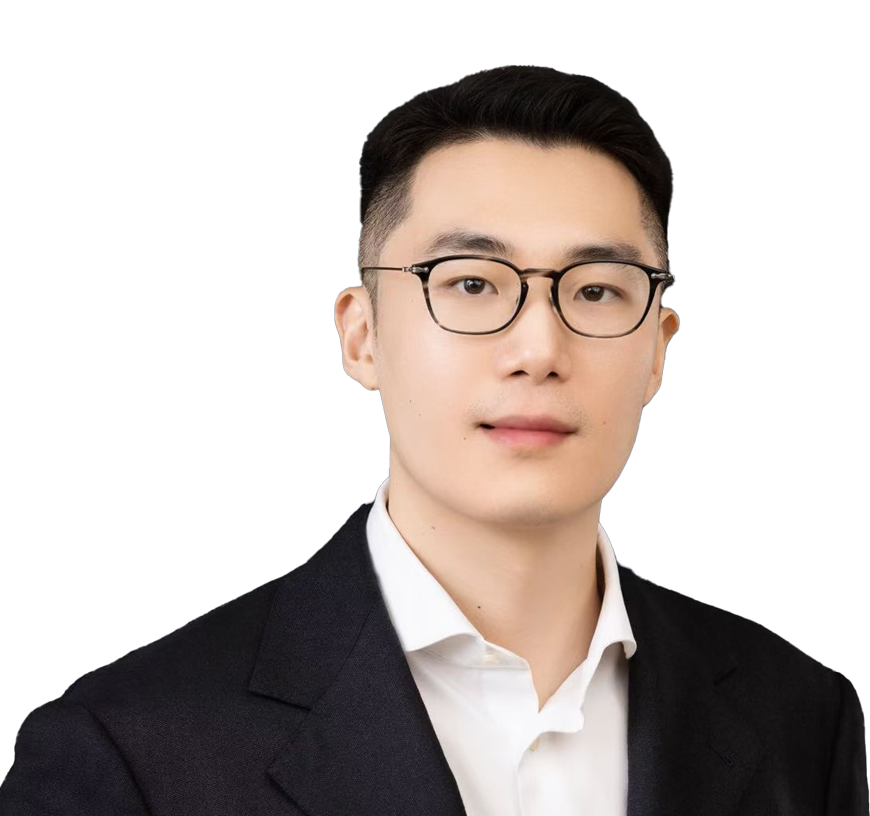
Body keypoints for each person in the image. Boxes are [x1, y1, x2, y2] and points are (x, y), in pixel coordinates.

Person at [1, 66, 866, 816]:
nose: (538, 350)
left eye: (597, 291)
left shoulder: (802, 716)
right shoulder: (132, 747)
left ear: (658, 353)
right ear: (362, 337)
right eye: (471, 283)